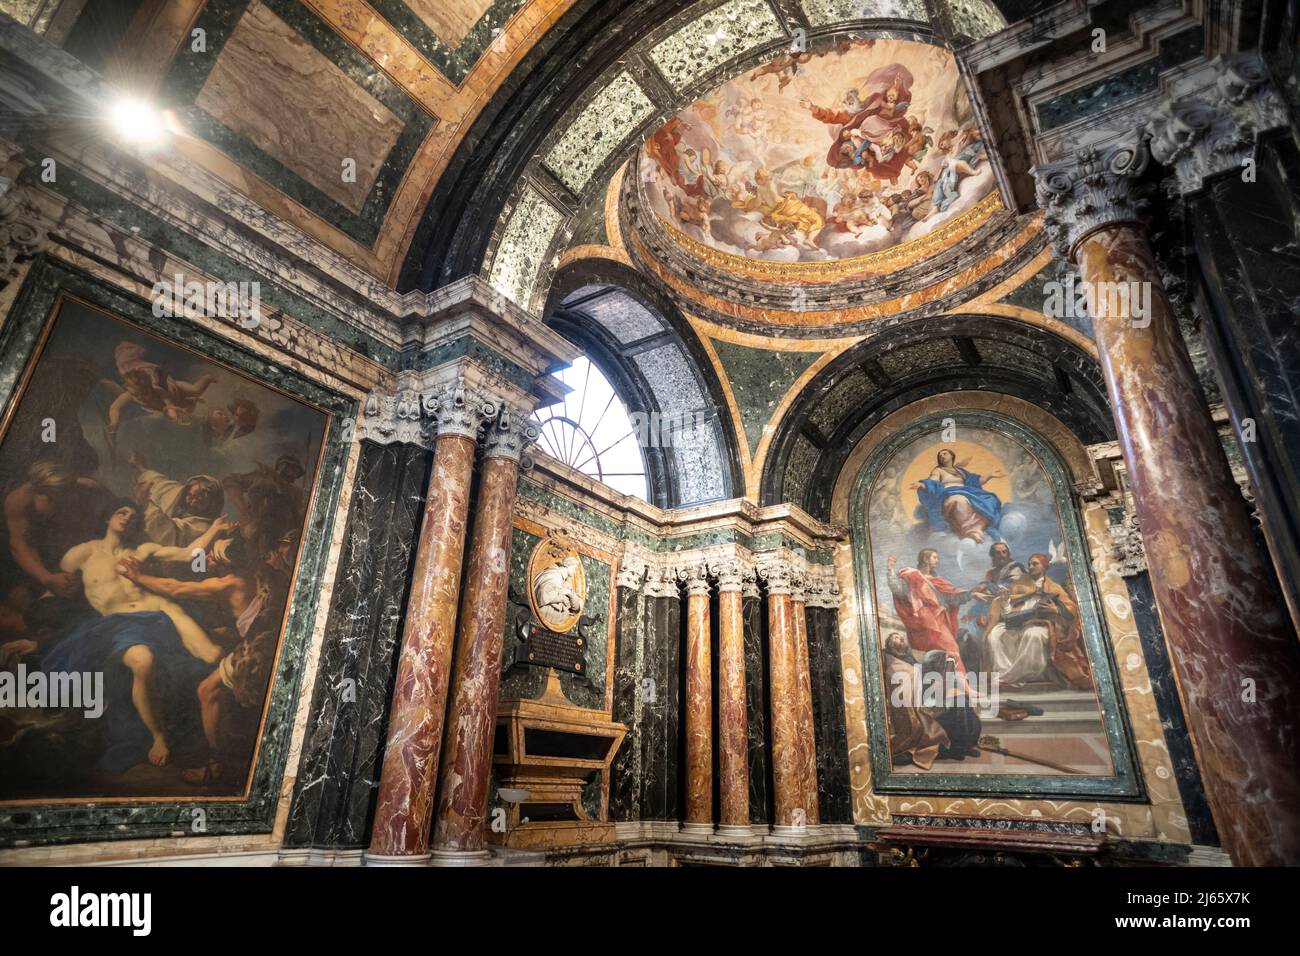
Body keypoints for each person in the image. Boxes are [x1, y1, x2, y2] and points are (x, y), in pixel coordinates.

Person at [42, 504, 218, 771]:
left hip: (162, 615)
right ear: (108, 516)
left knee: (214, 656)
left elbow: (189, 555)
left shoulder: (142, 550)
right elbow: (54, 590)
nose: (127, 518)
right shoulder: (81, 554)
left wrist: (215, 529)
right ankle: (158, 736)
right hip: (119, 625)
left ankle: (220, 747)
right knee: (143, 661)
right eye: (122, 512)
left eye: (133, 516)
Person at [984, 553, 1092, 690]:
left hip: (1041, 623)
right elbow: (1007, 613)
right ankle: (1003, 672)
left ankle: (1011, 677)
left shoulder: (1053, 587)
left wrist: (1056, 609)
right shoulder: (1018, 585)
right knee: (995, 634)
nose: (1031, 567)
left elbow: (1071, 609)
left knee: (1033, 635)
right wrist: (1005, 603)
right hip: (1017, 622)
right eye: (1029, 564)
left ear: (1044, 567)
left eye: (1035, 564)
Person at [126, 448, 224, 547]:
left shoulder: (204, 528)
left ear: (212, 507)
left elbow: (170, 534)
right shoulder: (179, 493)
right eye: (190, 496)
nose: (193, 502)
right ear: (187, 490)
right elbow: (159, 483)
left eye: (201, 503)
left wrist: (146, 504)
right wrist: (140, 466)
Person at [912, 447, 1004, 543]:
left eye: (944, 454)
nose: (941, 456)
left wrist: (990, 475)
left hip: (967, 491)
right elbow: (932, 482)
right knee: (959, 500)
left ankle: (978, 529)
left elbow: (975, 481)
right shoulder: (938, 470)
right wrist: (922, 485)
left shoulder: (960, 471)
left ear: (952, 455)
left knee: (990, 499)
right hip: (948, 494)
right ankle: (970, 531)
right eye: (939, 455)